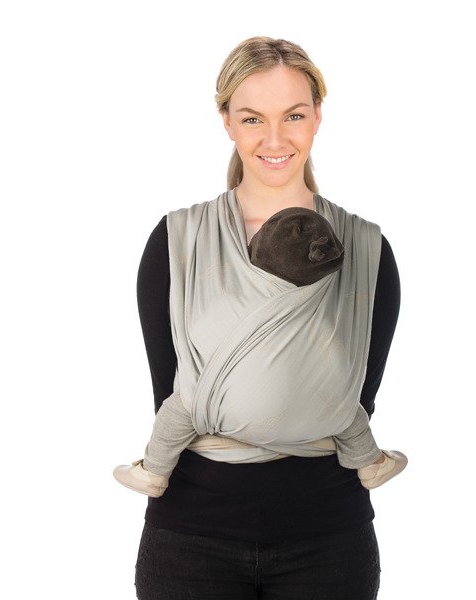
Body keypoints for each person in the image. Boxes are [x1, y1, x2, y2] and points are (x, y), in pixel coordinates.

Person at [129, 36, 404, 600]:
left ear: (318, 116)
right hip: (190, 539)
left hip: (328, 540)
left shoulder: (366, 251)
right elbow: (170, 395)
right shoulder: (178, 242)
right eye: (253, 117)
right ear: (226, 120)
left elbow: (353, 397)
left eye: (294, 115)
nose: (275, 140)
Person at [113, 206, 407, 498]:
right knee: (348, 410)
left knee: (181, 407)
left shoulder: (221, 296)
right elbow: (361, 383)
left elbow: (167, 373)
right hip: (322, 439)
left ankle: (154, 471)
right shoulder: (330, 312)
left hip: (212, 454)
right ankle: (371, 463)